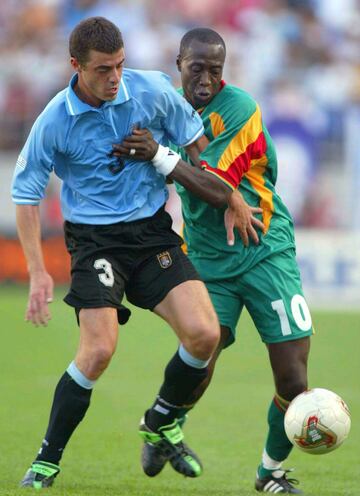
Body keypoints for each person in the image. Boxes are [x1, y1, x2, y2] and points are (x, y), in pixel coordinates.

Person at [11, 18, 263, 489]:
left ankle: (162, 419)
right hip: (94, 241)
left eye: (121, 65)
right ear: (76, 66)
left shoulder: (151, 91)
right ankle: (47, 459)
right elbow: (25, 195)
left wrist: (227, 195)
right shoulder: (53, 120)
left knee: (205, 334)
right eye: (104, 69)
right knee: (99, 351)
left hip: (151, 233)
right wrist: (38, 272)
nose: (115, 78)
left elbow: (199, 147)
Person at [117, 28, 313, 494]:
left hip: (264, 247)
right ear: (179, 62)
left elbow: (215, 185)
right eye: (197, 68)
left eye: (216, 71)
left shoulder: (238, 108)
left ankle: (270, 473)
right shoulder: (163, 104)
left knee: (294, 377)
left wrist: (160, 156)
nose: (206, 80)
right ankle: (163, 422)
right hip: (206, 255)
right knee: (201, 358)